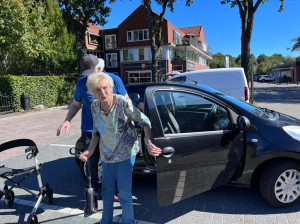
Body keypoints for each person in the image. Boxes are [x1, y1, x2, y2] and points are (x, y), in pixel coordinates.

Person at [79, 72, 162, 224]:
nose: (103, 92)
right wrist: (89, 150)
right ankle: (106, 220)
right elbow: (97, 131)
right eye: (98, 89)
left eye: (105, 88)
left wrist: (148, 142)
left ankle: (128, 221)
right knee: (107, 191)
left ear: (111, 87)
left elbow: (144, 120)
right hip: (106, 155)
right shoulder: (94, 106)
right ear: (92, 91)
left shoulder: (123, 102)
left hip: (125, 153)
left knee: (124, 193)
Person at [57, 54, 127, 204]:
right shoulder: (81, 84)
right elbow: (76, 104)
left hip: (111, 131)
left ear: (99, 69)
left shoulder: (114, 80)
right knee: (91, 163)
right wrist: (67, 120)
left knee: (111, 162)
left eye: (90, 74)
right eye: (85, 74)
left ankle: (112, 192)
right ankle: (92, 192)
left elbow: (126, 103)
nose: (87, 77)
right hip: (89, 129)